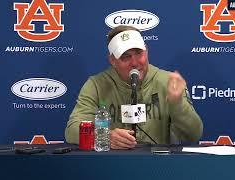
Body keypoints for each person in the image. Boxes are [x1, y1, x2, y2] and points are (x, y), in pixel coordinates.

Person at [65, 25, 203, 149]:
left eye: (139, 53)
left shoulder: (168, 82)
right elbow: (71, 130)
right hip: (111, 166)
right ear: (112, 60)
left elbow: (194, 134)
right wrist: (105, 136)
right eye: (126, 57)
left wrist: (177, 104)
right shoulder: (96, 85)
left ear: (147, 51)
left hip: (157, 167)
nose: (135, 62)